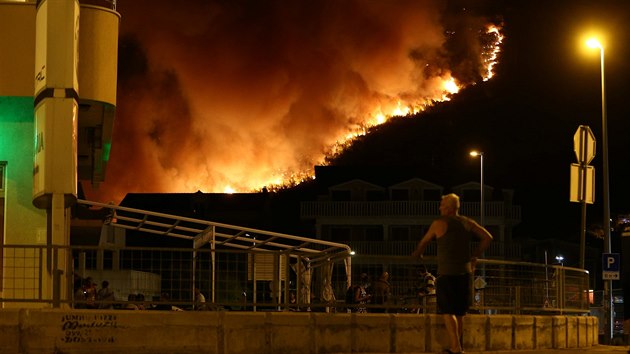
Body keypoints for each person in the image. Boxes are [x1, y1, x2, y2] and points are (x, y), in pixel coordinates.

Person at [412, 193, 493, 354]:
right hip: (465, 273)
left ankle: (456, 348)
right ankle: (455, 346)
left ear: (448, 208)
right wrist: (475, 255)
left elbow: (424, 242)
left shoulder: (439, 223)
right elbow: (487, 237)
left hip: (447, 273)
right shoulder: (466, 222)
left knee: (448, 312)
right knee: (460, 313)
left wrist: (417, 254)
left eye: (442, 204)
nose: (439, 207)